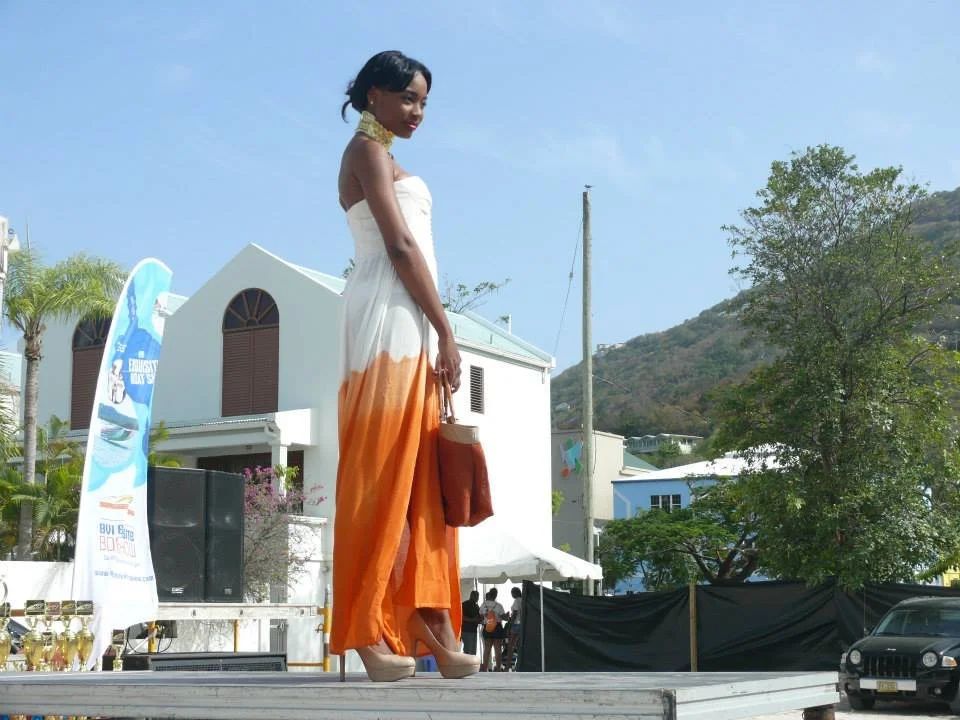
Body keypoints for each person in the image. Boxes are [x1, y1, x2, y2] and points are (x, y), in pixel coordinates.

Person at [330, 50, 480, 683]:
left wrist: (437, 328)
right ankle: (366, 628)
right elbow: (397, 245)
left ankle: (431, 620)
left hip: (411, 317)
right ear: (373, 94)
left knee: (423, 477)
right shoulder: (365, 152)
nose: (418, 111)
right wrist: (446, 329)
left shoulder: (386, 157)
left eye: (424, 101)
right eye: (408, 98)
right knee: (382, 472)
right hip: (387, 318)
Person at [480, 588, 507, 671]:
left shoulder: (483, 605)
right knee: (497, 649)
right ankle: (498, 668)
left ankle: (485, 667)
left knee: (487, 648)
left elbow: (480, 616)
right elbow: (504, 617)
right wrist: (506, 616)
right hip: (497, 627)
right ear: (495, 595)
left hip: (487, 627)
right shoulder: (499, 606)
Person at [504, 586, 523, 670]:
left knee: (510, 646)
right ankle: (518, 663)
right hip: (522, 624)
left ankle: (508, 666)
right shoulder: (523, 600)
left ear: (515, 593)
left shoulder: (516, 601)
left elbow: (515, 613)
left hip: (515, 624)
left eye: (512, 593)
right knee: (518, 645)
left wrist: (510, 625)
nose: (511, 595)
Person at [460, 590, 482, 655]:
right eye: (476, 596)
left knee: (473, 651)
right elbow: (461, 616)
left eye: (478, 596)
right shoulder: (465, 604)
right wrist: (472, 620)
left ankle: (471, 662)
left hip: (474, 631)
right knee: (467, 650)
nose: (477, 598)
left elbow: (479, 617)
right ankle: (466, 662)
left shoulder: (476, 606)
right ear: (471, 596)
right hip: (466, 631)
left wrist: (480, 619)